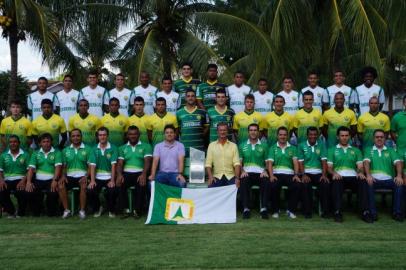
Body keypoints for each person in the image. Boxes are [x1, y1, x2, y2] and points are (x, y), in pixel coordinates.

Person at [327, 126, 368, 223]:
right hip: (339, 177)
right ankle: (337, 212)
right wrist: (334, 173)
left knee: (363, 181)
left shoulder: (356, 150)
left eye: (346, 135)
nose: (344, 138)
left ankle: (364, 212)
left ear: (349, 137)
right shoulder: (331, 150)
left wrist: (361, 172)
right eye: (342, 135)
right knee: (336, 182)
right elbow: (329, 168)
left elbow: (360, 166)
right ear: (338, 137)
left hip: (353, 177)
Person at [363, 129, 404, 222]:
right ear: (373, 139)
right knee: (368, 184)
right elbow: (366, 162)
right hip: (374, 179)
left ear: (385, 139)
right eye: (377, 137)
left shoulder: (391, 150)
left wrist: (399, 175)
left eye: (381, 137)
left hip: (389, 180)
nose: (379, 139)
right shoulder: (368, 150)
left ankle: (397, 213)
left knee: (399, 184)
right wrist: (368, 175)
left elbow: (398, 163)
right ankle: (373, 213)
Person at [117, 126, 152, 218]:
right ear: (127, 135)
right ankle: (125, 209)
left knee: (141, 184)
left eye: (135, 134)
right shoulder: (122, 148)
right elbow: (120, 164)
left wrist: (144, 174)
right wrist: (119, 175)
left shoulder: (146, 146)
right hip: (127, 173)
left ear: (139, 135)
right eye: (130, 134)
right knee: (120, 183)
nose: (133, 136)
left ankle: (137, 210)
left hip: (140, 172)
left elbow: (147, 161)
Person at [267, 127, 300, 219]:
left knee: (296, 185)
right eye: (280, 134)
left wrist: (296, 175)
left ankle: (290, 210)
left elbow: (295, 163)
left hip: (289, 174)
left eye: (285, 135)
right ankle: (275, 210)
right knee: (273, 185)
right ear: (277, 136)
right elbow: (270, 163)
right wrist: (271, 176)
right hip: (277, 173)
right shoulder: (272, 148)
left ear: (288, 136)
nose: (283, 136)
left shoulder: (293, 148)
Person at [25, 133, 62, 216]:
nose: (46, 143)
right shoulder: (35, 153)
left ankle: (51, 212)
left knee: (53, 193)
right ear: (40, 143)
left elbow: (58, 167)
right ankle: (37, 211)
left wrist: (55, 180)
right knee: (29, 192)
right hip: (38, 180)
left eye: (48, 141)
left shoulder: (57, 152)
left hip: (51, 180)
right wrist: (28, 182)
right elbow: (31, 169)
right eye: (44, 141)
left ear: (51, 142)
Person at [58, 129, 91, 219]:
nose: (76, 138)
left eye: (78, 136)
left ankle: (82, 210)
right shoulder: (65, 150)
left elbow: (90, 166)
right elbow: (64, 167)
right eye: (73, 136)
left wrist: (86, 176)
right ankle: (66, 210)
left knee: (84, 186)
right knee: (60, 185)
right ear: (70, 138)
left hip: (82, 176)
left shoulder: (88, 149)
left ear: (81, 137)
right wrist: (63, 176)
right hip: (69, 176)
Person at [297, 127, 329, 218]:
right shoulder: (301, 145)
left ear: (318, 135)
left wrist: (324, 175)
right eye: (311, 134)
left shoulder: (321, 144)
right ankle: (307, 211)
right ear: (307, 135)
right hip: (306, 172)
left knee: (325, 184)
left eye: (315, 134)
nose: (313, 136)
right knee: (305, 185)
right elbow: (300, 162)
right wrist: (303, 175)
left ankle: (325, 211)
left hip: (318, 173)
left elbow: (324, 161)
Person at [239, 123, 269, 219]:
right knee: (243, 182)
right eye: (251, 130)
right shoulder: (242, 145)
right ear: (248, 132)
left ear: (258, 132)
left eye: (255, 130)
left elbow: (268, 161)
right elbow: (239, 162)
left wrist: (265, 171)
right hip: (247, 172)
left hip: (260, 173)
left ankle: (264, 209)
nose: (253, 132)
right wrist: (242, 171)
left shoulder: (264, 145)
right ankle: (246, 209)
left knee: (266, 182)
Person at [88, 127, 118, 218]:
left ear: (107, 136)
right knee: (90, 190)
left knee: (112, 191)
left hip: (109, 176)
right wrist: (92, 181)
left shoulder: (113, 148)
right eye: (100, 135)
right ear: (97, 136)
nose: (102, 137)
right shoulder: (94, 149)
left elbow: (113, 166)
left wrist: (112, 180)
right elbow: (92, 166)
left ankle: (111, 210)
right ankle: (98, 208)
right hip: (97, 177)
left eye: (104, 135)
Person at [176, 89, 208, 176]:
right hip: (184, 148)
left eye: (193, 96)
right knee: (182, 177)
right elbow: (177, 129)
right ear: (185, 98)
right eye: (188, 96)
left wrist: (200, 136)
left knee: (196, 177)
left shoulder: (202, 112)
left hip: (198, 148)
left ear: (195, 98)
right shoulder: (179, 113)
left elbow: (207, 127)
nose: (190, 98)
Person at [0, 135, 29, 217]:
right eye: (11, 142)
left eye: (15, 142)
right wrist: (1, 180)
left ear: (19, 143)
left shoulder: (25, 155)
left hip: (20, 179)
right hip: (7, 180)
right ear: (9, 144)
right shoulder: (3, 155)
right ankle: (11, 212)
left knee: (22, 192)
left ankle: (21, 213)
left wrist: (23, 181)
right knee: (1, 191)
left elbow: (29, 170)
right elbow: (0, 170)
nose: (13, 144)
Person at [205, 123, 241, 187]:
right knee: (211, 187)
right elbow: (208, 164)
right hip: (217, 176)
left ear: (227, 132)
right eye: (220, 130)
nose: (222, 132)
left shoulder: (233, 146)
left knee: (237, 188)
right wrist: (210, 177)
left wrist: (237, 178)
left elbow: (237, 164)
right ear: (217, 132)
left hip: (230, 176)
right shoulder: (211, 145)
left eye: (224, 130)